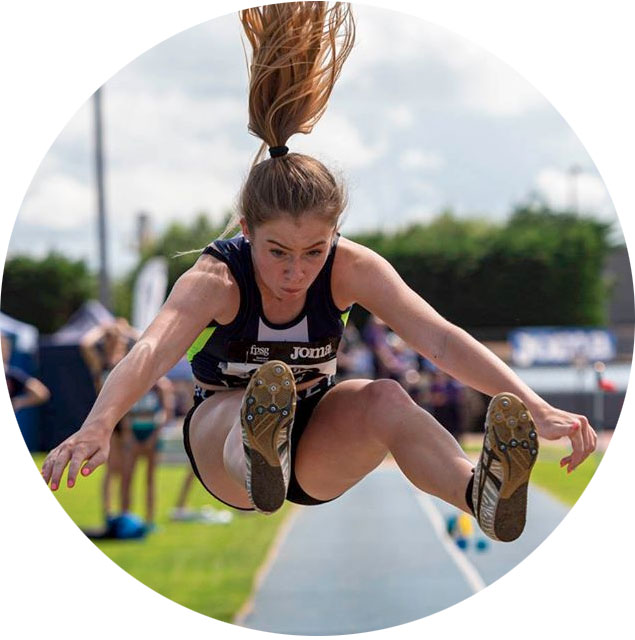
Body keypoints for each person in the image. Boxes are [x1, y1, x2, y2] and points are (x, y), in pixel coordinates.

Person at [42, 3, 596, 544]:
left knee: (385, 397)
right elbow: (150, 351)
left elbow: (440, 339)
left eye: (313, 251)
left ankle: (480, 494)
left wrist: (537, 407)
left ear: (335, 236)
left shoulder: (350, 267)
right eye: (277, 251)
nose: (295, 271)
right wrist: (98, 423)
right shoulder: (216, 278)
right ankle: (263, 458)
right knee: (245, 405)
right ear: (246, 230)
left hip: (317, 434)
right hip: (222, 444)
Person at [79, 318, 137, 525]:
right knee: (111, 468)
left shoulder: (128, 359)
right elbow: (84, 343)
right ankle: (108, 513)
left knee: (128, 469)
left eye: (119, 339)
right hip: (107, 420)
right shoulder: (100, 362)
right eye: (115, 338)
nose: (118, 341)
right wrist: (102, 329)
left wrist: (126, 330)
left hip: (127, 419)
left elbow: (144, 340)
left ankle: (125, 513)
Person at [120, 376, 174, 531]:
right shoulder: (133, 381)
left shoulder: (161, 385)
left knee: (150, 479)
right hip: (134, 433)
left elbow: (166, 411)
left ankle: (150, 520)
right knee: (127, 478)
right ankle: (126, 517)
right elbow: (124, 409)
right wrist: (129, 434)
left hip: (152, 434)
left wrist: (155, 434)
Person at [2, 333, 50, 412]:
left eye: (5, 349)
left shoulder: (11, 375)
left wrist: (18, 402)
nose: (5, 353)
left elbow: (41, 393)